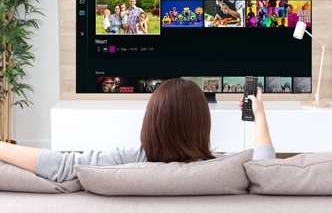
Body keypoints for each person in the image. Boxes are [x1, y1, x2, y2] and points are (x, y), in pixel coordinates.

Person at [0, 78, 274, 182]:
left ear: (152, 118)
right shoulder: (228, 166)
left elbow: (60, 165)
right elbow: (268, 169)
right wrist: (259, 113)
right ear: (202, 123)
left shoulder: (123, 161)